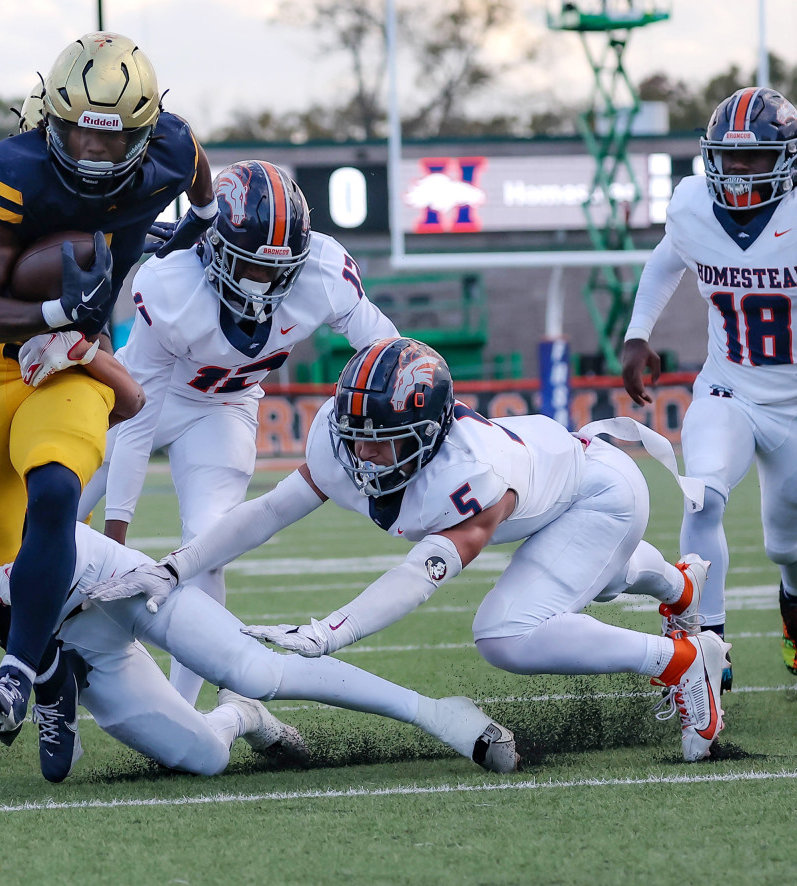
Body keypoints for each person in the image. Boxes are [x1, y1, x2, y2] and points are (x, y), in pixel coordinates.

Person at [0, 344, 517, 780]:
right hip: (64, 638)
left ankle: (437, 715)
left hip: (103, 572)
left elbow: (115, 418)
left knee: (253, 666)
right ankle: (244, 719)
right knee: (204, 757)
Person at [88, 337, 731, 763]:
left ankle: (678, 660)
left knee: (506, 633)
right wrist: (177, 566)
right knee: (604, 578)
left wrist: (330, 632)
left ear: (427, 434)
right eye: (356, 434)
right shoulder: (343, 442)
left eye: (382, 441)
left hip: (601, 496)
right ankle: (678, 587)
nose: (363, 453)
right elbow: (267, 511)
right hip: (564, 482)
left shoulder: (471, 472)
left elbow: (419, 575)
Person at [0, 32, 219, 744]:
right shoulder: (10, 175)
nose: (92, 154)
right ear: (48, 124)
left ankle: (17, 674)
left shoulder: (169, 149)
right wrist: (62, 308)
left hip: (77, 358)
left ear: (143, 132)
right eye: (76, 136)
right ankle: (54, 669)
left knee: (57, 492)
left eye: (112, 140)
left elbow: (195, 164)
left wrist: (205, 222)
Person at [83, 160, 399, 704]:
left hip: (224, 409)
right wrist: (117, 534)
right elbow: (136, 419)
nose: (265, 282)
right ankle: (37, 673)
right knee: (49, 517)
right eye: (250, 265)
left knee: (208, 545)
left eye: (279, 270)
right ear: (211, 248)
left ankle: (182, 706)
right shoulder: (172, 286)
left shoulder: (323, 273)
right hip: (136, 402)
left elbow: (390, 355)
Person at [622, 86, 797, 689]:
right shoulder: (694, 206)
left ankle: (793, 608)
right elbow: (667, 259)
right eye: (728, 157)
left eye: (753, 158)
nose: (738, 170)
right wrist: (637, 333)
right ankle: (706, 643)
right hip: (730, 389)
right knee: (702, 494)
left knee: (788, 545)